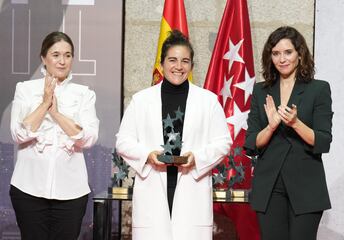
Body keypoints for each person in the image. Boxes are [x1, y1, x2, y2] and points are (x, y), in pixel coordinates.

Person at [116, 30, 232, 240]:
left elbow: (223, 142)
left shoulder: (208, 101)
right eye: (172, 60)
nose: (178, 66)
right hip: (152, 182)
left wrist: (196, 158)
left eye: (185, 61)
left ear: (191, 66)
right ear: (161, 64)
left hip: (192, 184)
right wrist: (147, 154)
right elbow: (123, 141)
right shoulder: (141, 100)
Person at [244, 26, 333, 240]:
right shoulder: (261, 90)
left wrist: (295, 123)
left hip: (306, 186)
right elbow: (252, 143)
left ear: (300, 54)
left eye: (288, 52)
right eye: (275, 53)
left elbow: (323, 141)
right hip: (269, 186)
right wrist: (271, 125)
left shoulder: (318, 89)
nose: (282, 59)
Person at [9, 31, 99, 240]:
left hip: (71, 192)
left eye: (68, 55)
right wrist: (44, 103)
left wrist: (56, 113)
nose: (62, 61)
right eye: (56, 54)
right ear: (43, 58)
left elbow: (89, 137)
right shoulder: (25, 89)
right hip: (28, 188)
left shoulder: (84, 93)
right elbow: (18, 133)